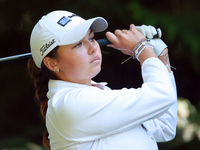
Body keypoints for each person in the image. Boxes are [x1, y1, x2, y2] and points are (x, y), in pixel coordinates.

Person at [28, 10, 177, 150]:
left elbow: (164, 126)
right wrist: (142, 48)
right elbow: (162, 95)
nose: (93, 47)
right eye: (78, 44)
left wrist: (160, 56)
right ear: (52, 63)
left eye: (91, 38)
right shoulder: (70, 103)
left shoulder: (100, 93)